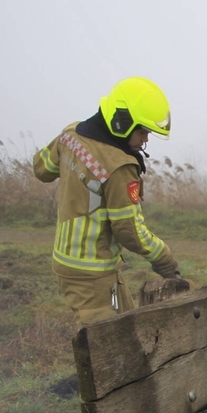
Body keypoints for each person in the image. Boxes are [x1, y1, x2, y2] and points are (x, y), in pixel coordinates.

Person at [33, 77, 182, 326]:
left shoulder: (70, 136)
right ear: (121, 121)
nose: (145, 140)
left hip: (72, 260)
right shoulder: (119, 166)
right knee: (109, 348)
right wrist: (165, 260)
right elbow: (129, 230)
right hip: (91, 273)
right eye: (143, 131)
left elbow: (42, 169)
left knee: (128, 326)